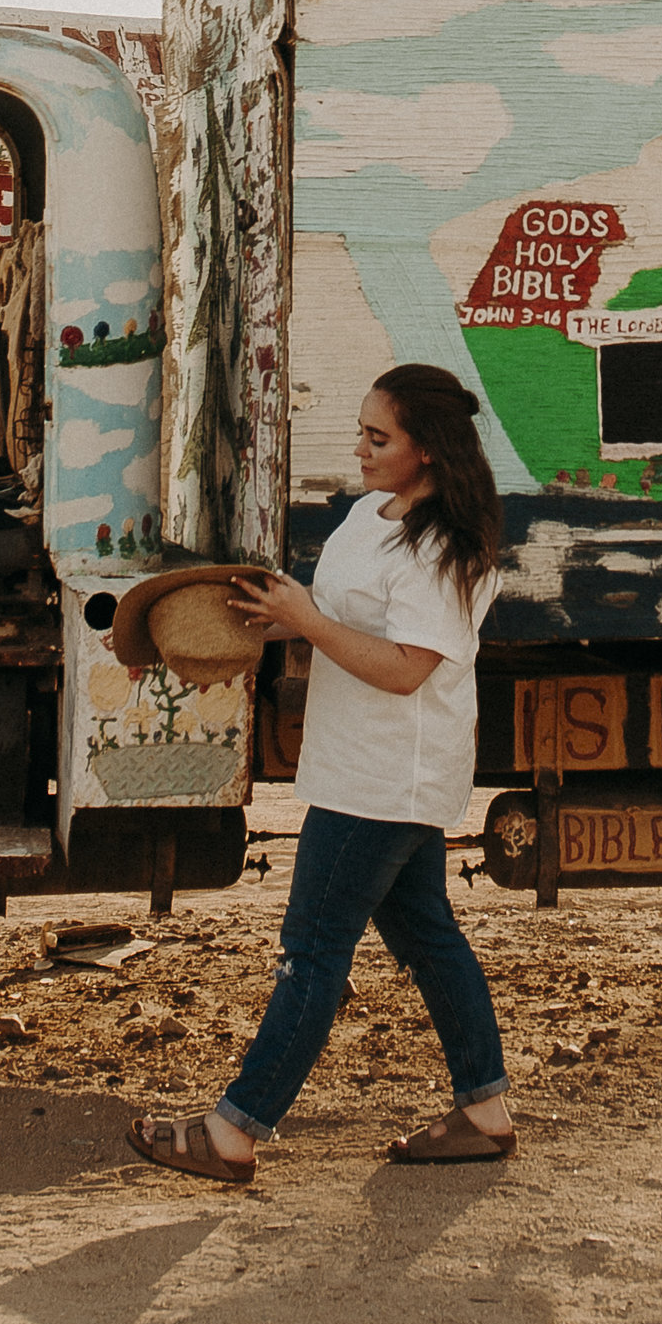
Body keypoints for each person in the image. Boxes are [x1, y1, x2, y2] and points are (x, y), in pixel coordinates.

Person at [128, 362, 516, 1186]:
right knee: (428, 939)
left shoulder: (442, 547)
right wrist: (275, 622)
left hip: (385, 780)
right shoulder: (369, 515)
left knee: (312, 952)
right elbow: (341, 622)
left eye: (380, 438)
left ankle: (235, 1130)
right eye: (363, 431)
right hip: (361, 768)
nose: (361, 448)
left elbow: (409, 667)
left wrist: (307, 619)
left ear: (431, 453)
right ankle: (485, 1111)